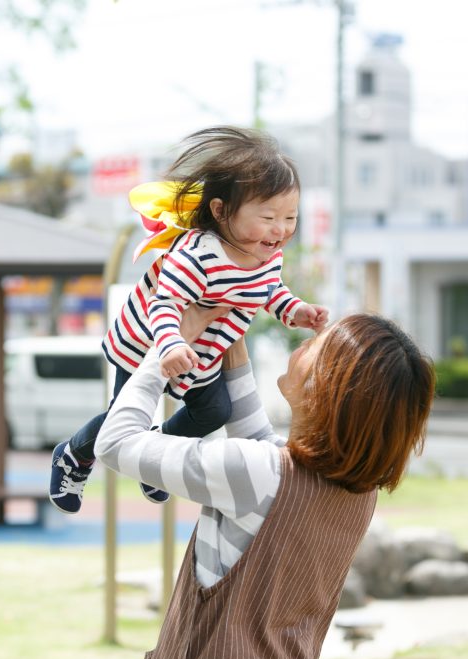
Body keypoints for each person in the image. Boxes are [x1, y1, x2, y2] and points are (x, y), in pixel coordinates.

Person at [94, 307, 435, 659]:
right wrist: (229, 321)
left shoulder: (258, 473)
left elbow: (114, 442)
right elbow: (257, 442)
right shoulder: (358, 493)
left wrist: (165, 350)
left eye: (314, 346)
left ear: (324, 385)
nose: (302, 347)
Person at [49, 126, 328, 513]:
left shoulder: (266, 255)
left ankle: (155, 459)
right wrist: (170, 345)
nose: (280, 230)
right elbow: (165, 304)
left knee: (216, 411)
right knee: (123, 417)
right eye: (268, 217)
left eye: (290, 217)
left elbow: (269, 291)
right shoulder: (197, 254)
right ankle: (73, 455)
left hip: (204, 353)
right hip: (148, 344)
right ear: (220, 211)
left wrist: (295, 310)